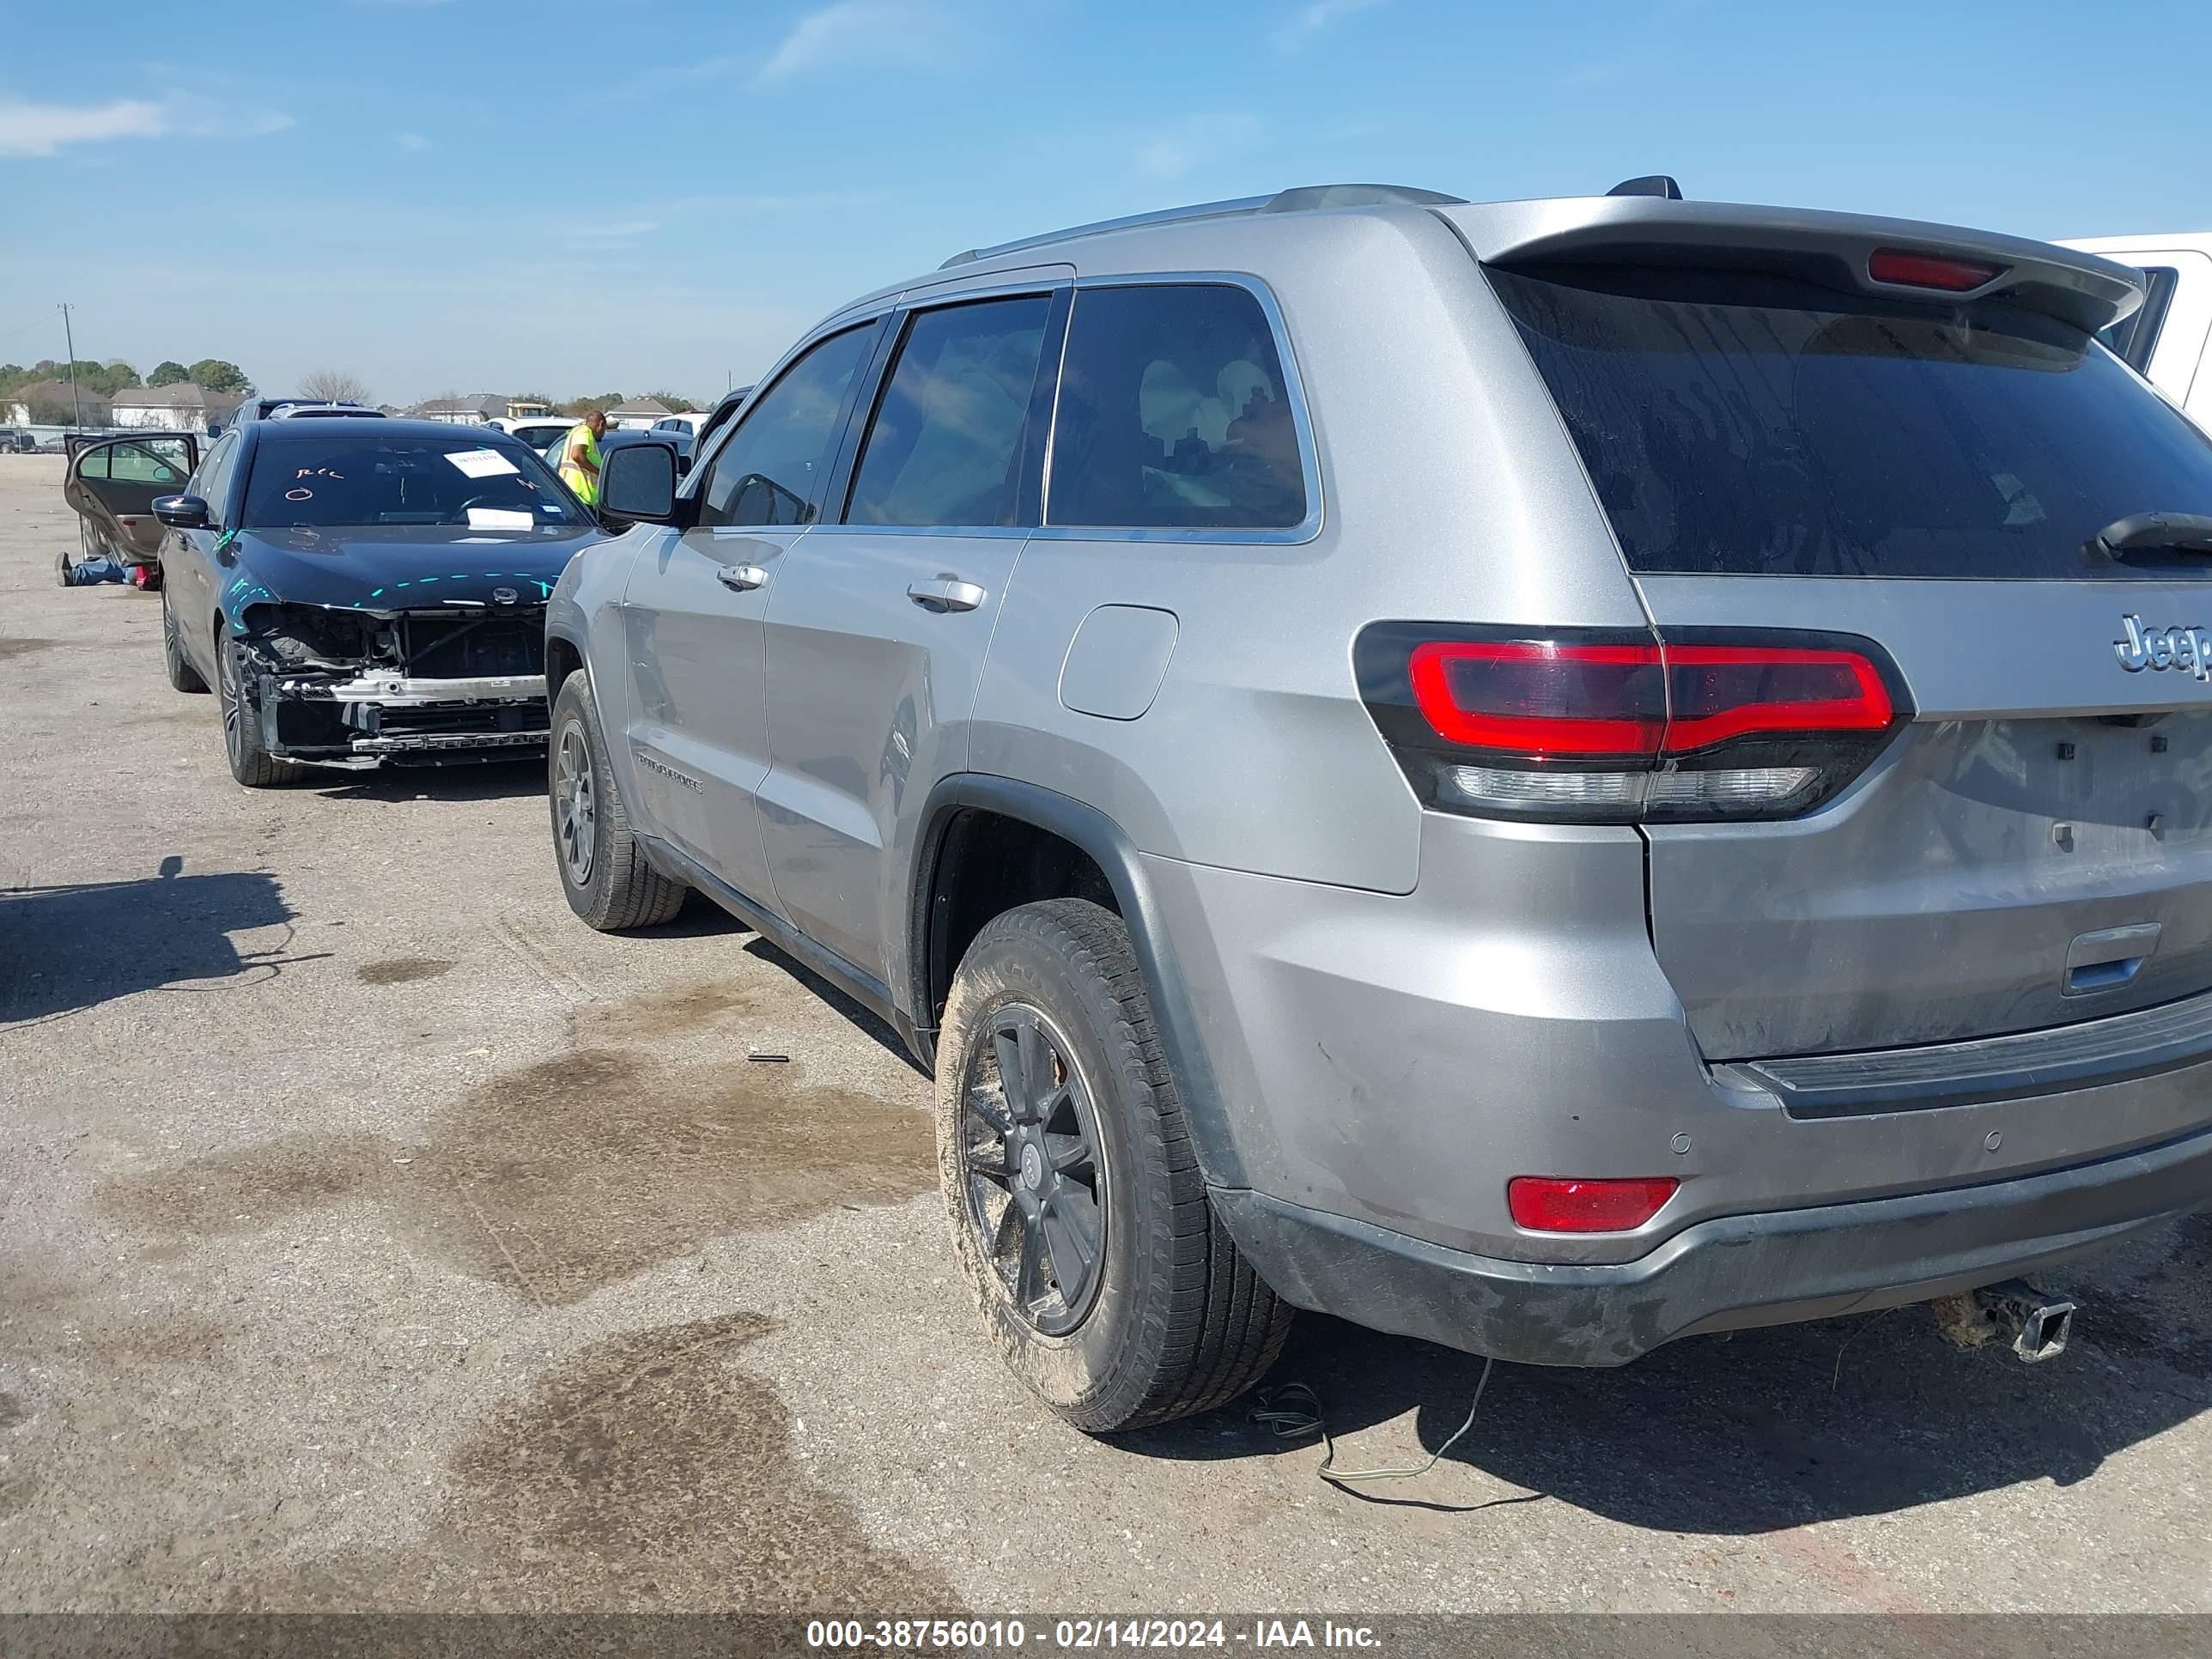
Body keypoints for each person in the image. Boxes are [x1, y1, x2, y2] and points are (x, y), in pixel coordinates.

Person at [554, 409, 607, 507]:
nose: (604, 433)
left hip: (575, 494)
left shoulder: (577, 432)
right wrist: (599, 472)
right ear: (601, 424)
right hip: (580, 494)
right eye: (605, 429)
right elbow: (577, 455)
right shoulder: (585, 431)